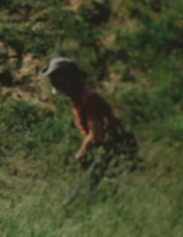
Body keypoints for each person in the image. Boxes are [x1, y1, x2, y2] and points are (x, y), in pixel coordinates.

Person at [45, 56, 134, 205]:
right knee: (97, 193)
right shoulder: (79, 99)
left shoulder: (88, 99)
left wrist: (81, 153)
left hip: (108, 151)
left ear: (70, 77)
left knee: (83, 196)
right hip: (100, 152)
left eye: (58, 76)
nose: (55, 81)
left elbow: (96, 135)